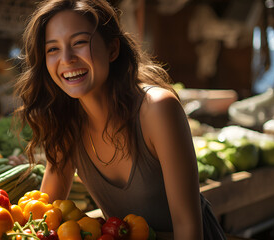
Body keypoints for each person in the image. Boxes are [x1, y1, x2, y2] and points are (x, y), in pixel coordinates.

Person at [13, 0, 225, 239]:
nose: (67, 58)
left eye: (79, 43)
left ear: (113, 49)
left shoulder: (157, 109)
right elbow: (45, 214)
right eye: (53, 49)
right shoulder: (67, 122)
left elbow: (188, 229)